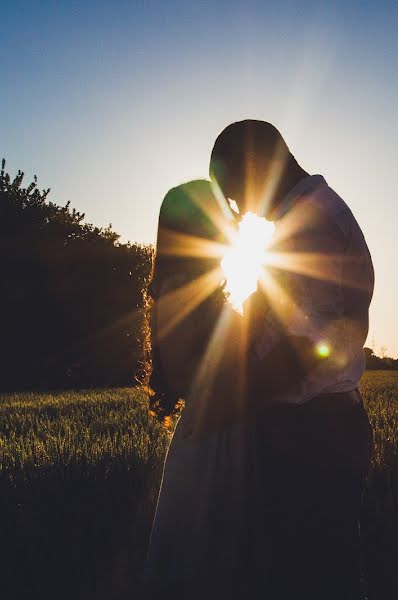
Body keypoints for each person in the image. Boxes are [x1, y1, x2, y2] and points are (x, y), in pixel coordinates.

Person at [210, 120, 375, 600]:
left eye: (235, 192)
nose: (239, 210)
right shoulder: (309, 217)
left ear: (258, 167)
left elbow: (310, 348)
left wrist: (230, 400)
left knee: (308, 578)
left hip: (309, 436)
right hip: (317, 431)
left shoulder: (310, 223)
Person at [142, 180, 266, 600]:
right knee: (203, 569)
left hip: (223, 432)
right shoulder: (178, 286)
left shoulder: (207, 285)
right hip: (210, 437)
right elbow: (181, 371)